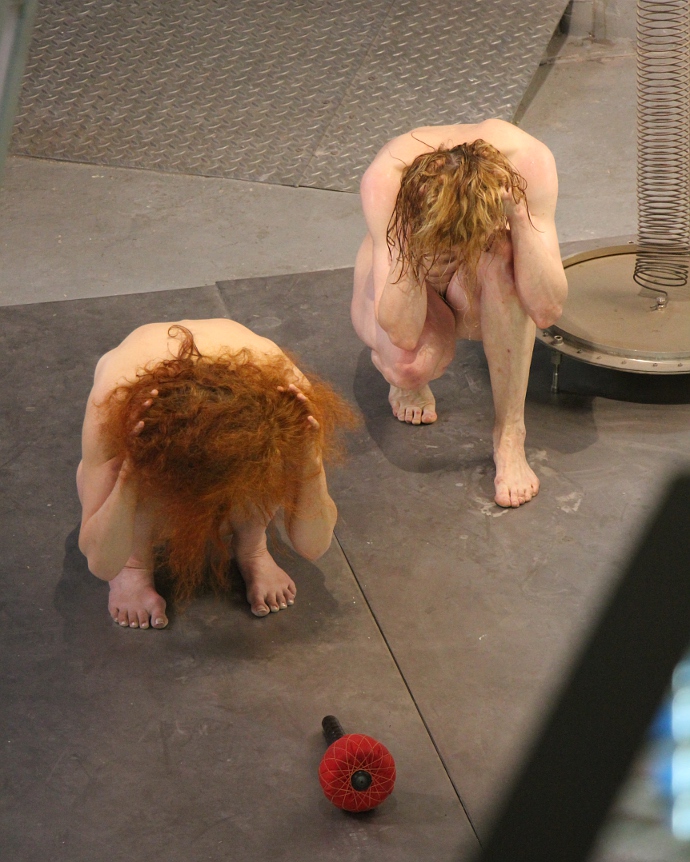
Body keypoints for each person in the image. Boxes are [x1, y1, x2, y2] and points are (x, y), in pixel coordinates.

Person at [77, 319, 356, 629]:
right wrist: (129, 474)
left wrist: (309, 461)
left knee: (270, 470)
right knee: (130, 483)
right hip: (144, 415)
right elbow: (100, 562)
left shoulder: (289, 402)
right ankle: (134, 564)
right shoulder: (114, 407)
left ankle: (252, 545)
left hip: (251, 413)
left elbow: (314, 545)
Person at [352, 119, 568, 508]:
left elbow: (547, 309)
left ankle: (510, 434)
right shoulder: (387, 180)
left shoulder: (528, 163)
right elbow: (402, 332)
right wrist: (411, 242)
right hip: (416, 262)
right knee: (408, 365)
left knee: (504, 261)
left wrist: (518, 219)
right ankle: (409, 383)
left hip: (484, 265)